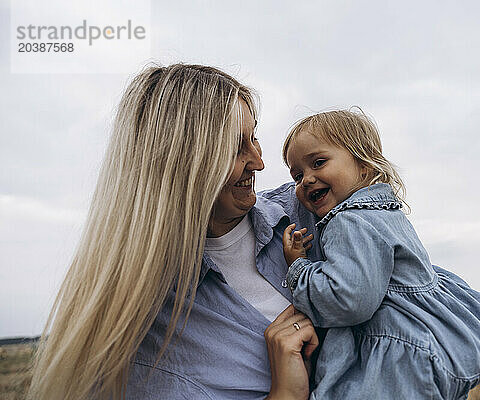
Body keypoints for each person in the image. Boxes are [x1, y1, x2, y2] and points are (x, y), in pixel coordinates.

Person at [27, 64, 320, 400]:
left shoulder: (310, 211)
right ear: (182, 164)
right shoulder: (143, 341)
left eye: (253, 136)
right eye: (235, 147)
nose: (258, 161)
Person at [282, 109, 480, 399]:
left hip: (397, 360)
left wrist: (299, 267)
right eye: (298, 175)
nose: (307, 180)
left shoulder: (348, 220)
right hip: (428, 346)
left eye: (318, 163)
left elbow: (350, 299)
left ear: (363, 165)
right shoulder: (388, 213)